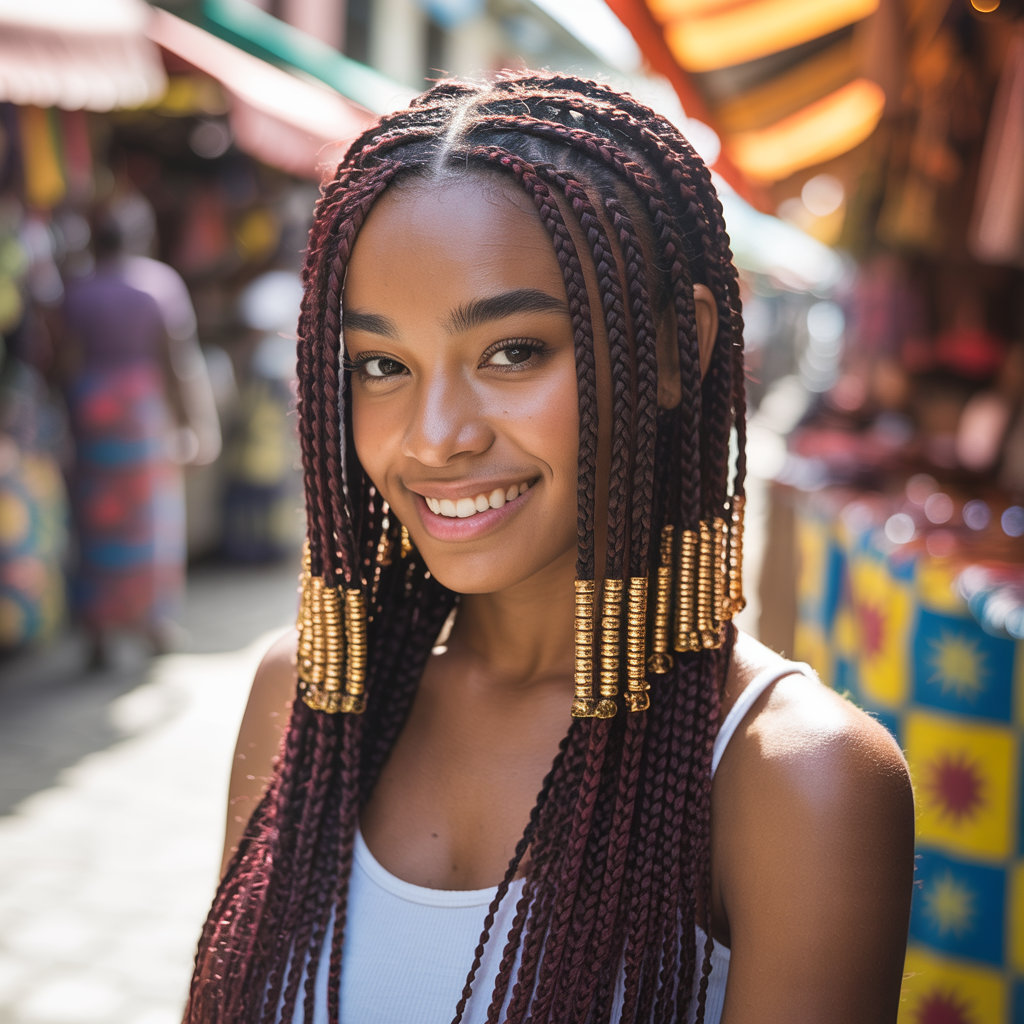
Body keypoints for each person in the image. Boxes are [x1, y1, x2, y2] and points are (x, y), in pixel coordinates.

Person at [188, 73, 914, 1024]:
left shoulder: (794, 777)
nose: (433, 435)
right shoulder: (309, 690)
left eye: (512, 352)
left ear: (674, 349)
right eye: (382, 365)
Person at [60, 205, 220, 666]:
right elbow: (179, 361)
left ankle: (98, 630)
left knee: (95, 522)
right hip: (140, 415)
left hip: (92, 415)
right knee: (150, 522)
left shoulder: (78, 290)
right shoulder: (159, 284)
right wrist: (196, 423)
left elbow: (67, 361)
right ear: (142, 236)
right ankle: (152, 623)